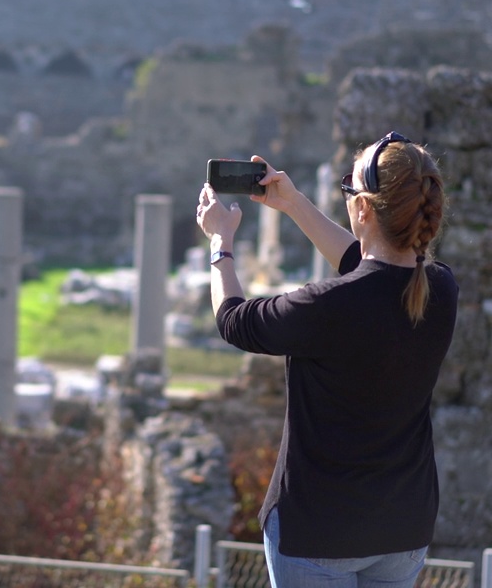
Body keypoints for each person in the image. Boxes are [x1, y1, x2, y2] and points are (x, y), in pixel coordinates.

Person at [195, 131, 457, 588]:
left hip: (317, 533)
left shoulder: (326, 308)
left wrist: (221, 243)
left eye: (348, 189)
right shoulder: (442, 290)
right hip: (402, 527)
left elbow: (233, 319)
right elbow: (370, 263)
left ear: (362, 210)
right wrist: (294, 204)